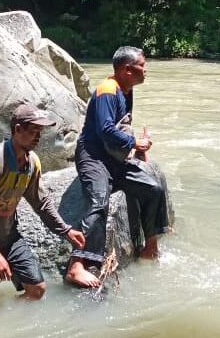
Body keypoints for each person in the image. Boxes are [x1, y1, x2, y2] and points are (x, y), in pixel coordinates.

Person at [0, 103, 86, 305]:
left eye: (40, 132)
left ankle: (10, 315)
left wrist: (66, 231)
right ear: (17, 130)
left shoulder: (32, 162)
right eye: (34, 131)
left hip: (8, 235)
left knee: (37, 289)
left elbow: (41, 203)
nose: (38, 137)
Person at [65, 46, 170, 288]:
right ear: (127, 69)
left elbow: (122, 125)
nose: (146, 70)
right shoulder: (107, 91)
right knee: (98, 202)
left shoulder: (127, 90)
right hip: (93, 156)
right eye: (142, 66)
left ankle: (150, 247)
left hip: (114, 158)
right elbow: (105, 131)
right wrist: (134, 142)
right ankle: (76, 265)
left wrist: (136, 150)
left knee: (152, 188)